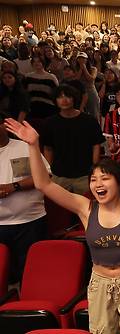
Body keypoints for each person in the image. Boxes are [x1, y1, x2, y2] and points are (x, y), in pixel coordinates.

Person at [5, 118, 120, 333]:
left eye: (105, 178)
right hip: (100, 282)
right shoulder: (85, 208)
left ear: (119, 182)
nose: (98, 184)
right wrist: (33, 145)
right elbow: (43, 184)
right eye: (93, 179)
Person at [0, 112, 48, 285]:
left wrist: (14, 186)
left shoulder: (23, 146)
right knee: (4, 276)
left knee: (31, 273)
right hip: (1, 225)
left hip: (30, 221)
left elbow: (44, 176)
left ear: (4, 126)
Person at [42, 85, 104, 195]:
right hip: (59, 175)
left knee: (88, 208)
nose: (64, 100)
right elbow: (48, 148)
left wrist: (94, 168)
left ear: (74, 98)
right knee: (58, 209)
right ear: (55, 100)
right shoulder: (49, 123)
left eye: (68, 96)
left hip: (84, 175)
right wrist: (49, 171)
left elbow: (96, 145)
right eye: (60, 97)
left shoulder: (89, 121)